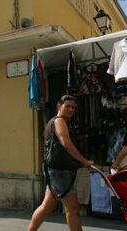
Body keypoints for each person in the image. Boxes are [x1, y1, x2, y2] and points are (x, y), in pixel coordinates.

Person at [27, 95, 94, 231]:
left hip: (54, 170)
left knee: (47, 206)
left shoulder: (54, 122)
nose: (71, 109)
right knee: (73, 210)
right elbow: (66, 143)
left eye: (73, 108)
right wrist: (84, 161)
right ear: (59, 106)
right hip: (60, 172)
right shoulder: (59, 121)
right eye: (67, 106)